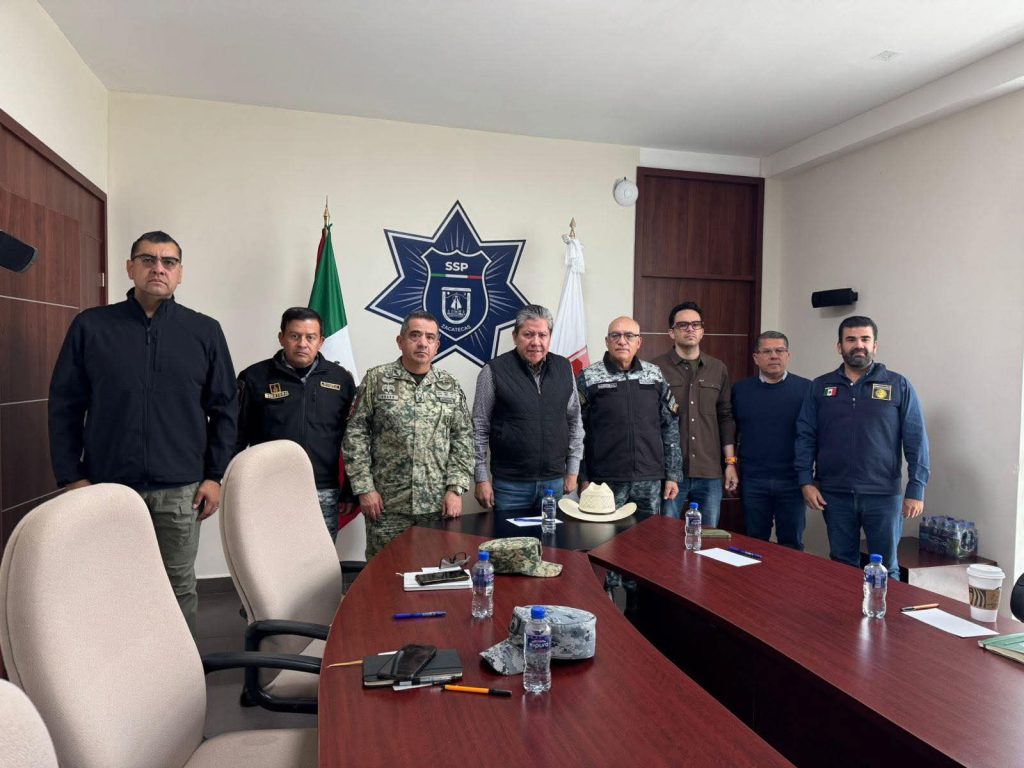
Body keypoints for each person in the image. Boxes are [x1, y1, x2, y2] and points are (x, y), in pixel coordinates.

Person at [48, 231, 237, 638]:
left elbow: (225, 409)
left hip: (181, 490)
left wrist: (214, 476)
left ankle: (178, 667)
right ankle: (117, 665)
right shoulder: (91, 327)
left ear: (180, 273)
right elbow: (64, 405)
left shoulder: (204, 331)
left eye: (169, 262)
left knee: (177, 585)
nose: (158, 268)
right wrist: (71, 476)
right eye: (148, 260)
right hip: (108, 486)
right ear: (130, 268)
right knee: (111, 582)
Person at [795, 316, 930, 579]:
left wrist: (917, 488)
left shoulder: (898, 385)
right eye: (851, 339)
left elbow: (916, 439)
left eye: (865, 339)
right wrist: (805, 481)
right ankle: (844, 609)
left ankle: (882, 608)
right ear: (839, 347)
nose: (859, 345)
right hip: (835, 494)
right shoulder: (821, 387)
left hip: (883, 495)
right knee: (841, 565)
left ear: (875, 346)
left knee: (886, 568)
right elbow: (805, 436)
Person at [342, 311, 472, 557]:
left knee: (433, 569)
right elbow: (355, 434)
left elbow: (463, 438)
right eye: (415, 335)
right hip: (387, 505)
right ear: (400, 341)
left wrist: (455, 489)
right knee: (384, 572)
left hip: (436, 505)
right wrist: (364, 488)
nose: (422, 343)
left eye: (430, 337)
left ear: (437, 345)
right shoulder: (377, 380)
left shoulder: (450, 386)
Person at [234, 307, 357, 539]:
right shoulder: (254, 377)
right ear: (281, 338)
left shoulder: (341, 379)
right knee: (270, 554)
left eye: (310, 337)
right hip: (268, 488)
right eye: (294, 336)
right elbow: (236, 436)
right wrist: (222, 480)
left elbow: (353, 440)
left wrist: (349, 491)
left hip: (323, 491)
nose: (302, 344)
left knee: (320, 558)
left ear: (321, 341)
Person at [472, 305, 584, 512]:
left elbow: (575, 420)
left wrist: (573, 470)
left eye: (542, 335)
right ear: (515, 336)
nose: (536, 342)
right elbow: (479, 427)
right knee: (508, 535)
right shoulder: (493, 371)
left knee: (553, 534)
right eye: (528, 334)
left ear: (550, 337)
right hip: (510, 486)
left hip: (554, 483)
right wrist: (481, 478)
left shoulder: (564, 367)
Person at [576, 316, 681, 515]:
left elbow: (670, 426)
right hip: (604, 482)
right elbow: (577, 431)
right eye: (615, 335)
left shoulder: (654, 374)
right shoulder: (588, 377)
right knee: (603, 535)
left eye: (629, 336)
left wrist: (672, 475)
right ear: (607, 341)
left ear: (638, 342)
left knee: (648, 534)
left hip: (649, 479)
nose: (622, 341)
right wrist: (583, 477)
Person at [653, 301, 737, 526]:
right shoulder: (655, 369)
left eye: (695, 324)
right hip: (669, 473)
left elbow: (725, 417)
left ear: (702, 331)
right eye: (683, 325)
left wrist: (730, 463)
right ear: (671, 332)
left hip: (709, 471)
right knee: (663, 536)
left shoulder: (718, 369)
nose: (690, 329)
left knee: (707, 537)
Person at [731, 331, 811, 549]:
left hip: (792, 480)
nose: (774, 356)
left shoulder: (807, 389)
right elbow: (731, 432)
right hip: (753, 479)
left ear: (788, 355)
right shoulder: (740, 390)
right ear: (756, 358)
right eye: (767, 351)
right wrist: (731, 466)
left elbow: (814, 436)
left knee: (792, 544)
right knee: (754, 542)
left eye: (779, 351)